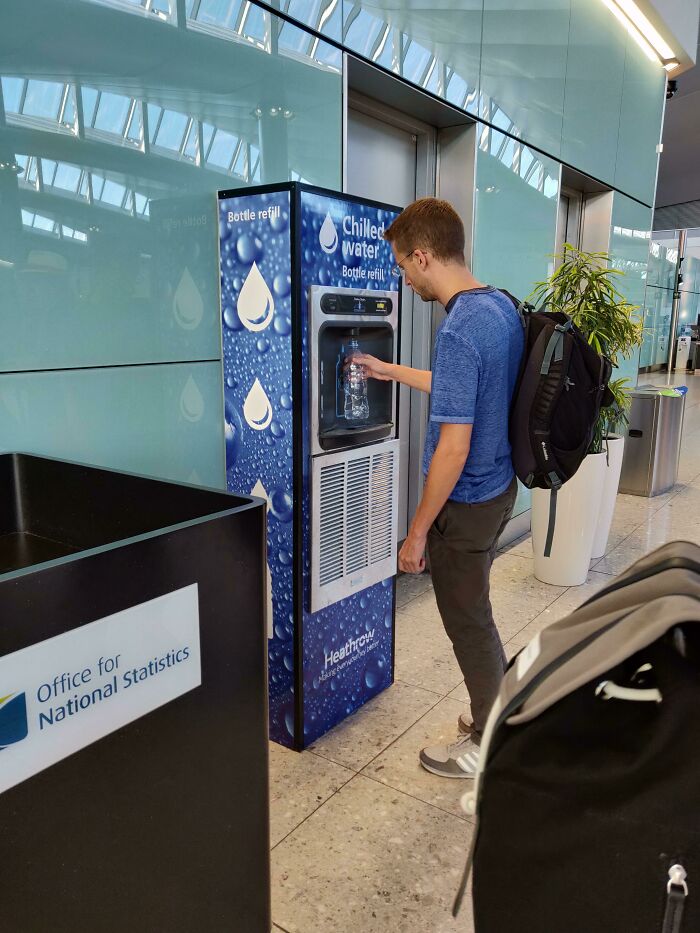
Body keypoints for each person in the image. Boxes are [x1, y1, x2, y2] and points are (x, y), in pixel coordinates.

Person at [357, 197, 524, 779]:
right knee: (476, 612)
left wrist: (417, 531)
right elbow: (464, 386)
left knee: (467, 620)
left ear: (423, 256)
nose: (404, 277)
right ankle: (495, 710)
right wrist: (391, 370)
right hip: (499, 487)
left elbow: (452, 447)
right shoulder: (499, 306)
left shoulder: (457, 328)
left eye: (403, 265)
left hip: (469, 500)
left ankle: (489, 740)